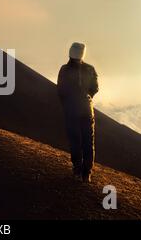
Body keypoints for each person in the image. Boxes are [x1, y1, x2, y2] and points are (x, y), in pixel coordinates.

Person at [57, 42, 99, 183]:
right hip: (87, 109)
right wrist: (87, 97)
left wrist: (68, 102)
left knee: (75, 140)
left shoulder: (64, 69)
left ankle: (77, 170)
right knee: (88, 141)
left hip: (71, 109)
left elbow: (61, 90)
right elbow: (95, 88)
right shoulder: (90, 69)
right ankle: (87, 174)